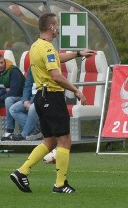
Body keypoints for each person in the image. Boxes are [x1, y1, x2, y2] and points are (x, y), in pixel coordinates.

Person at [10, 13, 96, 194]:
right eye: (56, 25)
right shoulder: (47, 48)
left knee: (49, 141)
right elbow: (56, 75)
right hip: (52, 97)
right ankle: (60, 184)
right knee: (65, 140)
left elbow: (57, 57)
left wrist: (78, 53)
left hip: (41, 98)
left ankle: (22, 171)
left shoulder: (36, 46)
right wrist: (76, 90)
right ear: (51, 27)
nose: (58, 28)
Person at [9, 67, 41, 141]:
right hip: (30, 98)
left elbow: (43, 89)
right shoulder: (32, 68)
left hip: (43, 98)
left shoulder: (45, 67)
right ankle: (36, 130)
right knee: (13, 109)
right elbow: (27, 86)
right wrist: (25, 100)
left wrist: (31, 101)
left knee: (33, 107)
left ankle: (24, 134)